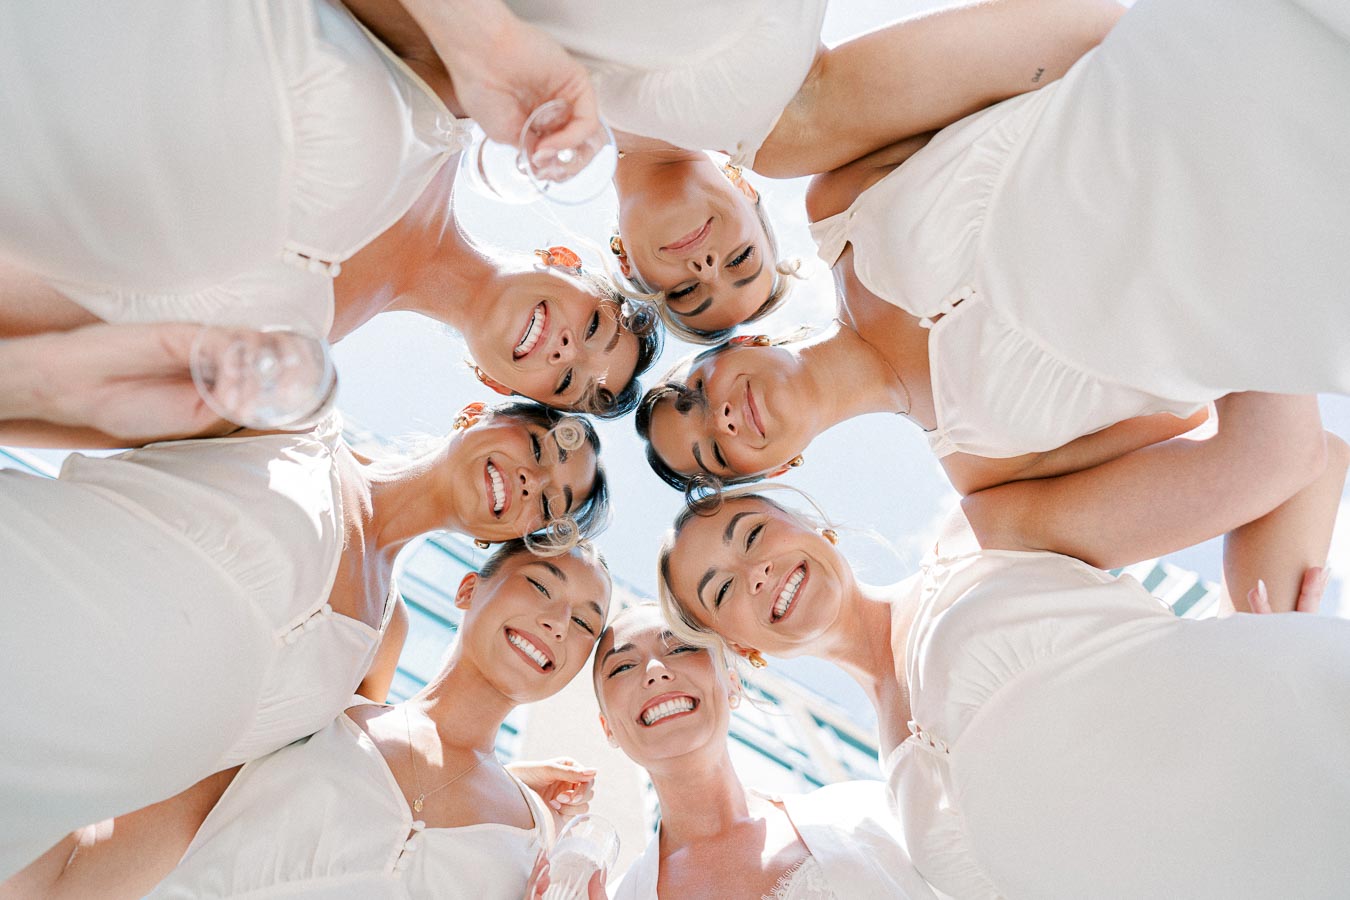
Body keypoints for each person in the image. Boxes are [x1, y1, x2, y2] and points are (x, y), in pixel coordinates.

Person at [652, 427, 1350, 900]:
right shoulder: (890, 793)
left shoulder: (980, 534)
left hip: (1310, 770)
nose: (756, 573)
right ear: (741, 648)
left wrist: (1262, 636)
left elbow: (1296, 456)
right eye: (720, 589)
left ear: (815, 524)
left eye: (753, 534)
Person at [0, 399, 609, 879]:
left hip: (36, 781)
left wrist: (497, 796)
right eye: (535, 447)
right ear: (476, 414)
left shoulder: (378, 640)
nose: (532, 481)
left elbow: (336, 772)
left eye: (551, 503)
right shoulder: (294, 427)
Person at [0, 0, 659, 427]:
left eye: (567, 380)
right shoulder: (458, 103)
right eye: (595, 326)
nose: (570, 349)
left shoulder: (275, 364)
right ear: (566, 261)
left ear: (493, 380)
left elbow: (54, 369)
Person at [3, 539, 612, 898]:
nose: (559, 622)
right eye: (539, 586)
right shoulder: (314, 709)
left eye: (585, 622)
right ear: (466, 589)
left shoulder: (540, 841)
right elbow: (84, 870)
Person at [591, 603, 935, 900]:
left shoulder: (864, 811)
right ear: (608, 728)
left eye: (681, 647)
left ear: (732, 684)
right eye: (622, 667)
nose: (654, 671)